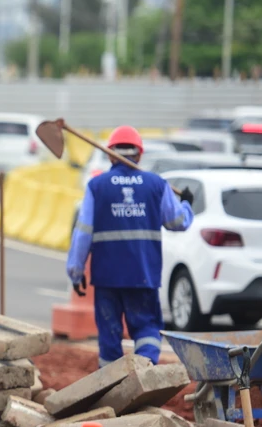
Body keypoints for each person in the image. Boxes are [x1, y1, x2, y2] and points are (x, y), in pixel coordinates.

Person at [66, 126, 194, 367]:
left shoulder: (97, 186)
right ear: (140, 155)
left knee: (109, 334)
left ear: (109, 154)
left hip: (107, 277)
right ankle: (144, 375)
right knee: (146, 327)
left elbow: (83, 233)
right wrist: (186, 204)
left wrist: (76, 269)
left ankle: (111, 389)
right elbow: (178, 222)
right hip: (142, 275)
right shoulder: (156, 185)